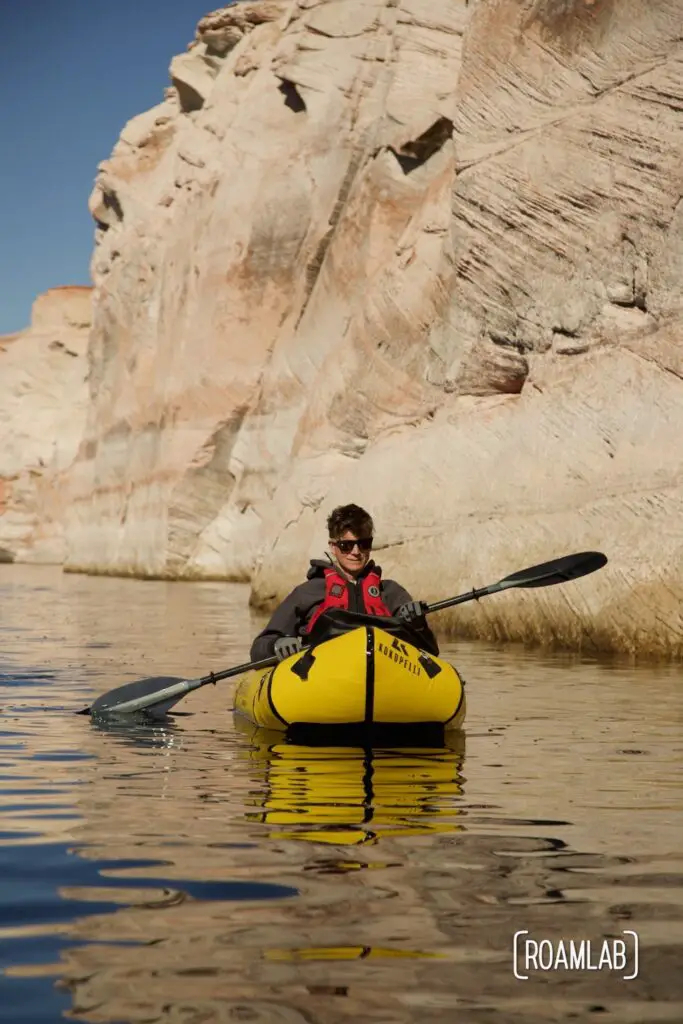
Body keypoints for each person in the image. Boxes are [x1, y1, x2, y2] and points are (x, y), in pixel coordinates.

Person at [250, 503, 439, 661]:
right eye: (346, 545)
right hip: (322, 679)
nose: (356, 552)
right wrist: (276, 644)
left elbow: (430, 651)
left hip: (383, 677)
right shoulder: (306, 593)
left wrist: (418, 625)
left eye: (363, 544)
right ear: (333, 547)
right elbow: (260, 646)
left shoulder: (392, 593)